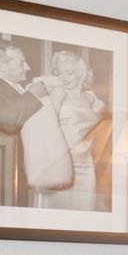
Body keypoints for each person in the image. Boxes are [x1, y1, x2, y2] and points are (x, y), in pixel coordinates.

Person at [34, 48, 108, 210]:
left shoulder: (91, 98)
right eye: (59, 73)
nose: (64, 78)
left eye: (70, 72)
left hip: (86, 163)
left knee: (85, 210)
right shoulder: (57, 95)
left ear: (81, 73)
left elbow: (100, 131)